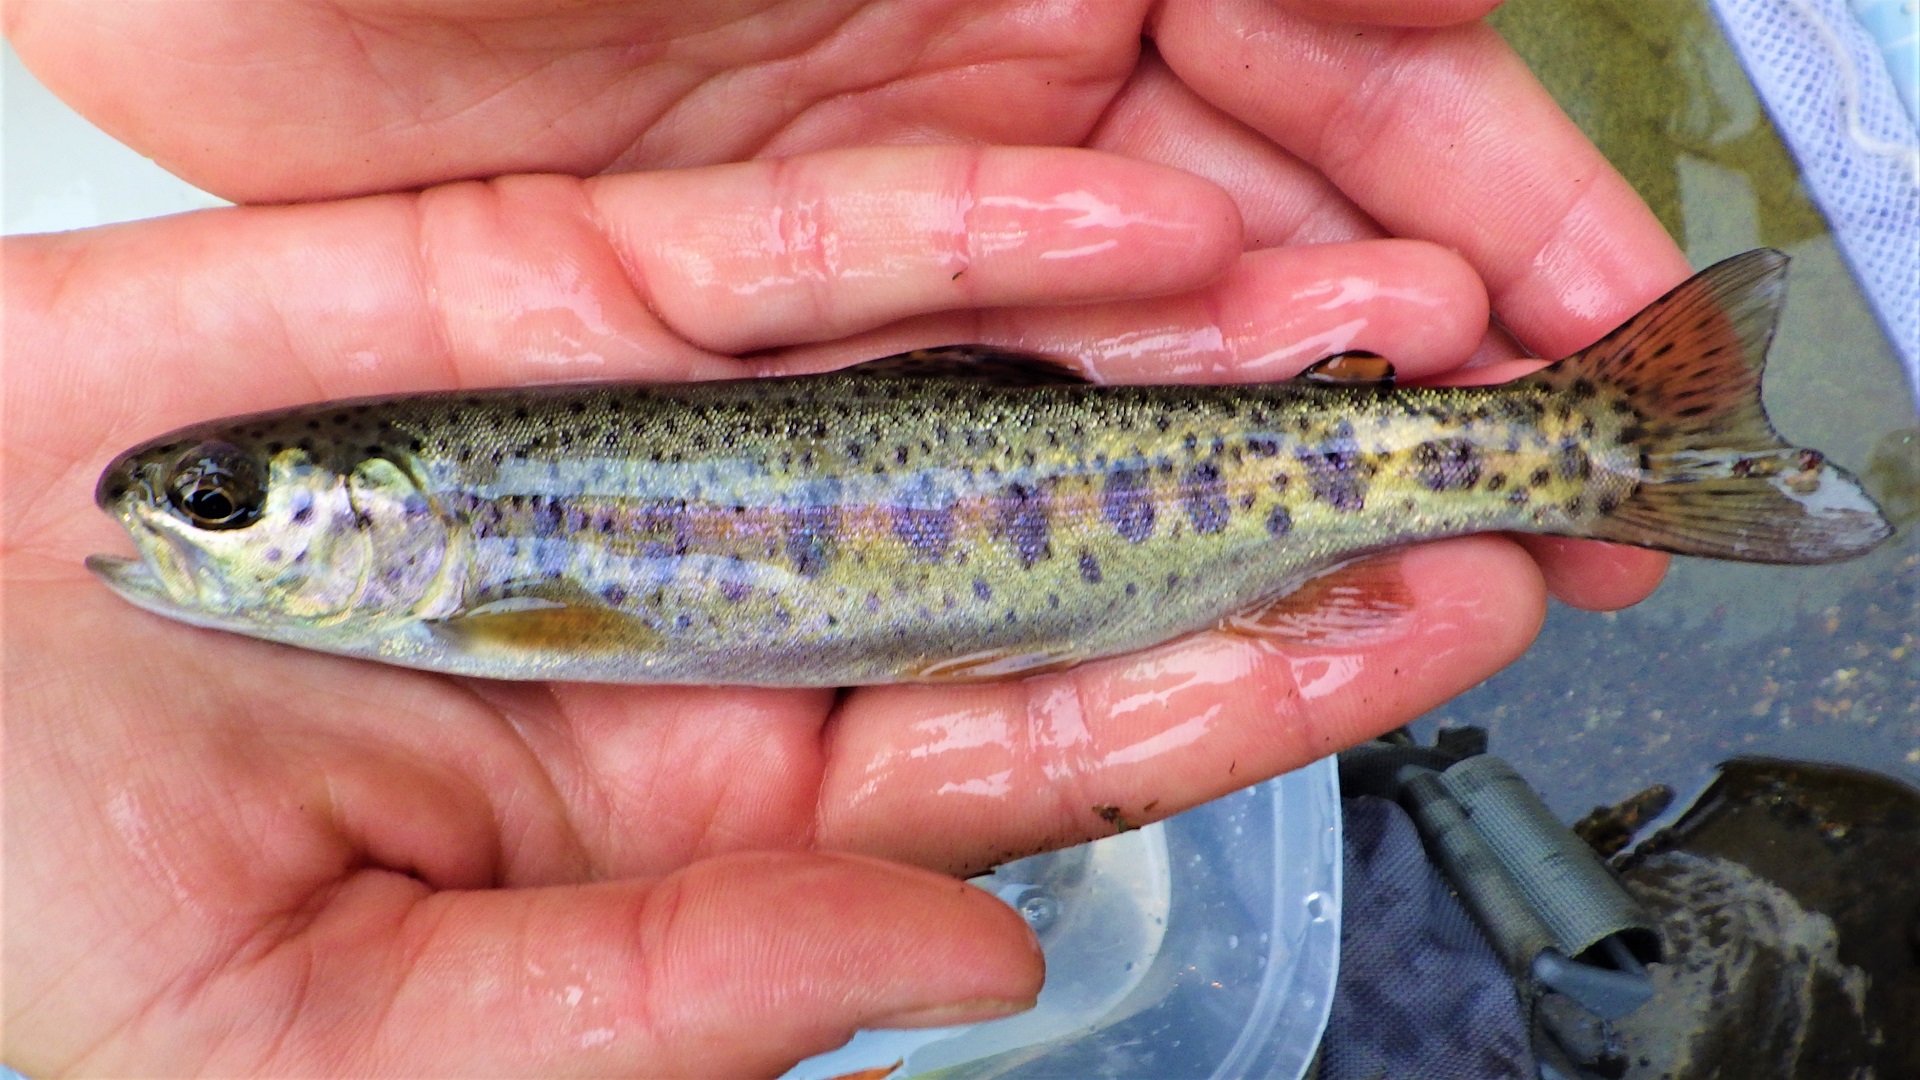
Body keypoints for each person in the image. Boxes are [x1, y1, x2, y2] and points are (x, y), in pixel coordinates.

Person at [3, 1, 1688, 1075]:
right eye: (213, 510)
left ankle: (1586, 442)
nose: (181, 534)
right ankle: (1593, 441)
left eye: (220, 510)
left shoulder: (495, 594)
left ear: (401, 515)